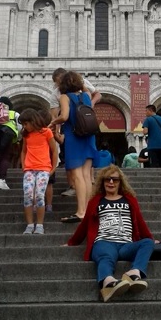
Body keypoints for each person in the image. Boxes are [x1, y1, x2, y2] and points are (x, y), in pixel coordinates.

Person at [63, 165, 155, 303]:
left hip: (126, 244)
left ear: (120, 182)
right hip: (104, 242)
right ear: (102, 181)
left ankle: (134, 273)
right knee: (106, 257)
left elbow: (140, 222)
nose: (111, 182)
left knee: (148, 243)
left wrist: (150, 238)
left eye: (115, 179)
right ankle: (108, 282)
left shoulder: (130, 200)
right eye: (107, 179)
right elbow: (84, 224)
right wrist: (72, 242)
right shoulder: (96, 201)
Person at [50, 71, 99, 223]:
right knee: (86, 176)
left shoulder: (64, 97)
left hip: (74, 137)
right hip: (89, 136)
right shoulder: (86, 96)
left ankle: (81, 211)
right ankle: (89, 210)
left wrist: (53, 123)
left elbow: (64, 116)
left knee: (77, 176)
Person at [19, 108, 58, 234]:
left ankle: (40, 224)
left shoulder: (46, 132)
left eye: (26, 123)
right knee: (28, 195)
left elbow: (54, 150)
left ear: (33, 121)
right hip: (29, 169)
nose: (24, 126)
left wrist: (53, 168)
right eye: (23, 124)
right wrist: (24, 166)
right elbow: (24, 150)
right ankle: (30, 224)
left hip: (43, 168)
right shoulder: (26, 135)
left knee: (40, 195)